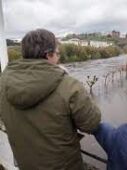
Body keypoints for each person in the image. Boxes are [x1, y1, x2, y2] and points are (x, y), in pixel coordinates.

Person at [0, 29, 101, 170]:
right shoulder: (69, 86)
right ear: (49, 55)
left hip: (26, 164)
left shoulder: (3, 82)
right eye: (57, 54)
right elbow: (92, 123)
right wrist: (64, 78)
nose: (58, 58)